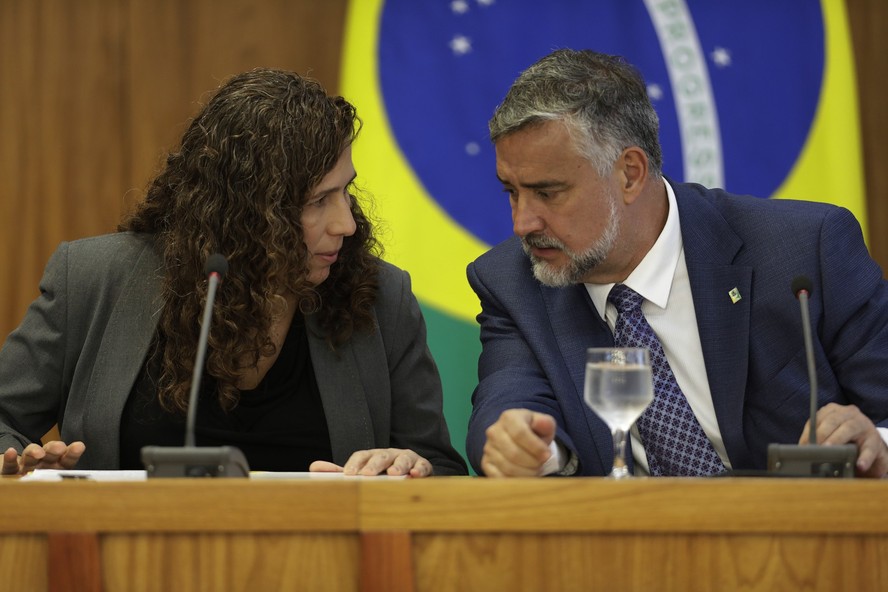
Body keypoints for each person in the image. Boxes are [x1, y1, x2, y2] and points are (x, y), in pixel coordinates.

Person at [0, 68, 467, 477]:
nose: (346, 223)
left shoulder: (381, 297)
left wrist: (409, 467)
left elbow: (438, 466)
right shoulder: (91, 279)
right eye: (317, 201)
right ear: (245, 212)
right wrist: (20, 462)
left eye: (345, 191)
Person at [466, 49, 888, 478]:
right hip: (626, 538)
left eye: (548, 193)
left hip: (796, 534)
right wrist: (529, 447)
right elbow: (507, 403)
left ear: (629, 173)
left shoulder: (802, 250)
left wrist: (878, 441)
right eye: (511, 192)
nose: (522, 223)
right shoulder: (512, 281)